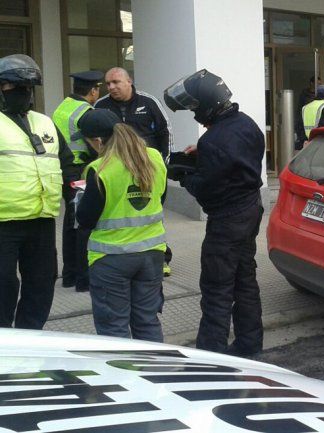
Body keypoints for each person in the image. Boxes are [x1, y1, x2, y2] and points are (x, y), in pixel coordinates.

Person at [163, 69, 264, 358]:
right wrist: (203, 156)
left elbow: (207, 189)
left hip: (227, 221)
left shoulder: (214, 140)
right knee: (245, 281)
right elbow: (234, 162)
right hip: (250, 210)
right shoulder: (247, 124)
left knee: (217, 291)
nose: (195, 112)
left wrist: (183, 176)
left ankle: (211, 358)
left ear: (207, 104)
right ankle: (249, 345)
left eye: (195, 107)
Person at [75, 109, 167, 342]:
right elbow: (160, 198)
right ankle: (156, 373)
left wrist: (79, 199)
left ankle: (123, 376)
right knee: (147, 321)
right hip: (152, 254)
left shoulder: (100, 169)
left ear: (98, 140)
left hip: (111, 258)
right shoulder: (154, 157)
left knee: (114, 330)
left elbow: (85, 219)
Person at [0, 54, 77, 329]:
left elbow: (67, 165)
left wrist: (77, 201)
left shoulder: (45, 123)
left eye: (27, 89)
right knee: (4, 285)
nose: (23, 94)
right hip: (4, 223)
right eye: (14, 88)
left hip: (42, 221)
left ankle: (30, 336)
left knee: (42, 282)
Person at [96, 67, 174, 276]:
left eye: (116, 82)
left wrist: (162, 167)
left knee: (152, 216)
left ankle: (161, 257)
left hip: (148, 172)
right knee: (120, 217)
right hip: (116, 175)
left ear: (129, 81)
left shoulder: (148, 102)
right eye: (108, 83)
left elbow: (165, 131)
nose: (111, 87)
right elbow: (95, 139)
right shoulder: (101, 106)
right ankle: (121, 255)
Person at [53, 70, 103, 292]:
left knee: (70, 222)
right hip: (78, 171)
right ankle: (83, 278)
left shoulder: (63, 107)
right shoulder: (86, 112)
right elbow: (97, 145)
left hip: (63, 170)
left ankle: (69, 274)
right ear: (93, 91)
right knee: (82, 224)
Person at [294, 76, 321, 150]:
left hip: (315, 125)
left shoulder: (319, 95)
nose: (318, 86)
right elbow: (300, 111)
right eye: (317, 84)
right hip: (304, 126)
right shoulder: (304, 95)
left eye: (319, 84)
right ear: (311, 83)